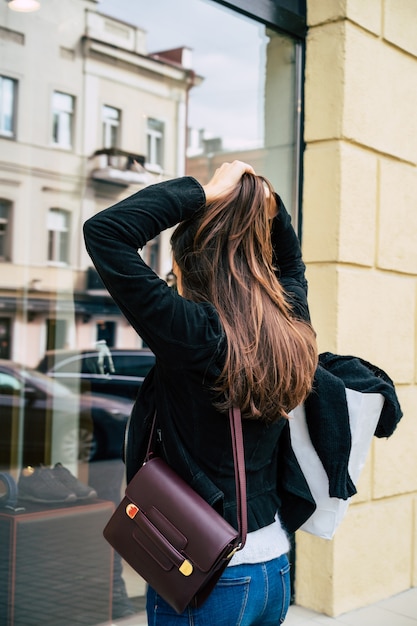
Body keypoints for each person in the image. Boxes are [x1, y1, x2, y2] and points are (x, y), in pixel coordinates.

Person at [83, 160, 318, 625]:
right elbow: (291, 262)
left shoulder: (195, 334)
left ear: (187, 263)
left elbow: (106, 232)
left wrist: (205, 192)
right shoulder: (290, 325)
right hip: (273, 567)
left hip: (210, 574)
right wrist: (265, 205)